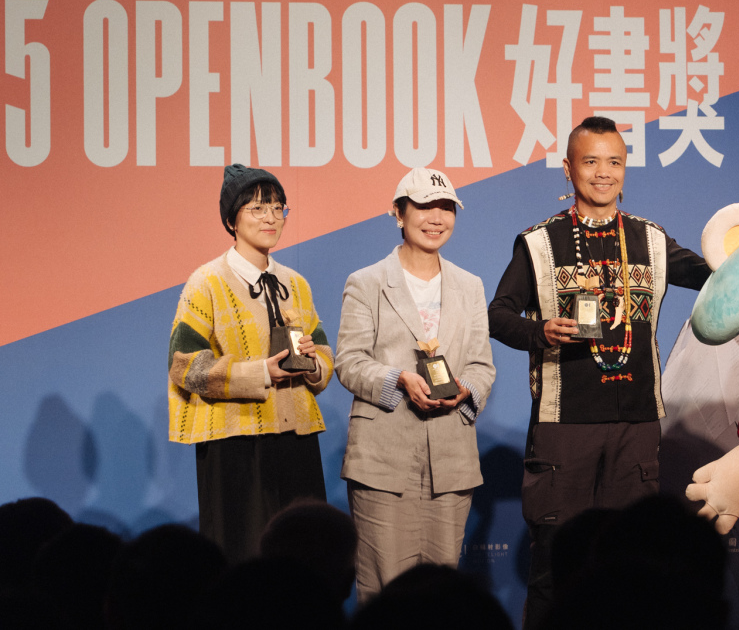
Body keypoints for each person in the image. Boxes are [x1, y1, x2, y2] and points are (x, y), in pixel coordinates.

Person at [488, 116, 711, 628]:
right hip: (564, 424)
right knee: (556, 561)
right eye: (591, 162)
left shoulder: (650, 239)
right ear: (569, 170)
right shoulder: (539, 243)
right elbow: (498, 315)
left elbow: (713, 276)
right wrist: (542, 330)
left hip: (637, 421)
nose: (603, 173)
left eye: (614, 162)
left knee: (634, 560)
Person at [336, 167, 495, 602]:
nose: (436, 218)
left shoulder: (470, 285)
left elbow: (482, 364)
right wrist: (398, 380)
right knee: (385, 591)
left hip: (451, 460)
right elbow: (349, 361)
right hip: (383, 460)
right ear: (398, 212)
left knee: (441, 594)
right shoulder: (367, 282)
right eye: (424, 206)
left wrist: (465, 389)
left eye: (446, 208)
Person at [168, 164, 333, 563]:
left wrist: (313, 364)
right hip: (234, 444)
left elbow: (326, 353)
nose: (270, 218)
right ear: (231, 219)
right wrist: (259, 373)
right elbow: (185, 365)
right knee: (242, 557)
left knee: (304, 556)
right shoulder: (206, 282)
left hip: (296, 439)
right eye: (257, 208)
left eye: (278, 208)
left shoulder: (296, 283)